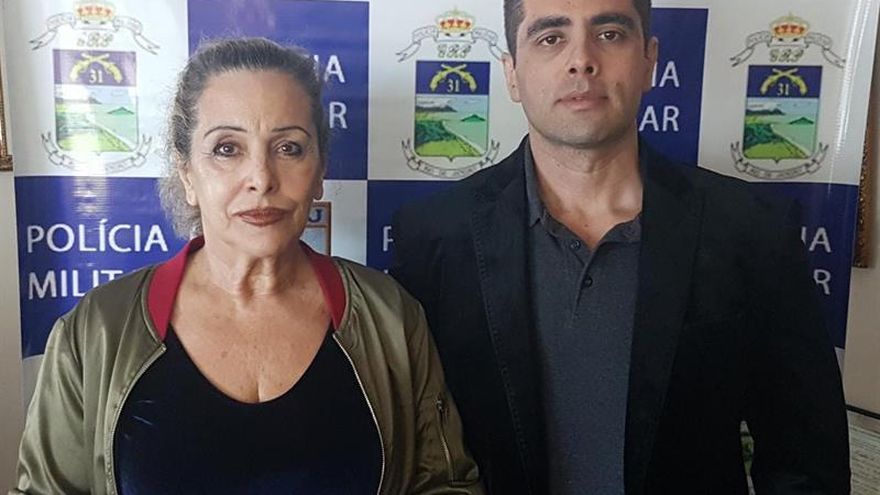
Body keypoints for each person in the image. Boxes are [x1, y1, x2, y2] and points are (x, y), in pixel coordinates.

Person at [390, 0, 850, 493]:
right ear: (512, 74)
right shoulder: (432, 236)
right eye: (550, 37)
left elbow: (807, 464)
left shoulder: (752, 230)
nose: (581, 60)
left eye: (610, 34)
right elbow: (411, 452)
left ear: (649, 61)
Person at [13, 38, 482, 495]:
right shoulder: (96, 330)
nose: (261, 178)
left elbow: (445, 483)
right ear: (187, 173)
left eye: (289, 147)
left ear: (319, 171)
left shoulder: (392, 318)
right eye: (226, 148)